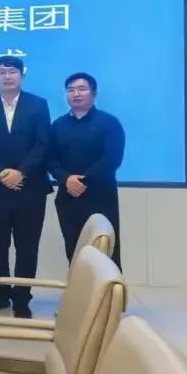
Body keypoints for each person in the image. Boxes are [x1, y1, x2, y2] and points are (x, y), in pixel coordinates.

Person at [0, 55, 51, 318]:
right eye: (2, 72)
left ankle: (22, 299)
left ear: (22, 76)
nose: (7, 76)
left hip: (31, 189)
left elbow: (43, 143)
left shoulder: (38, 105)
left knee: (27, 247)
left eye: (13, 71)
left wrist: (21, 173)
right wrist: (2, 173)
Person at [49, 72, 125, 269]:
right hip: (68, 197)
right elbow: (50, 159)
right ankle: (79, 287)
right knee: (73, 249)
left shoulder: (109, 123)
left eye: (82, 89)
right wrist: (66, 179)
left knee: (105, 249)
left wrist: (83, 181)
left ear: (94, 93)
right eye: (71, 90)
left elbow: (112, 158)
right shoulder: (58, 125)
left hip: (100, 196)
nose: (76, 94)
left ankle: (108, 288)